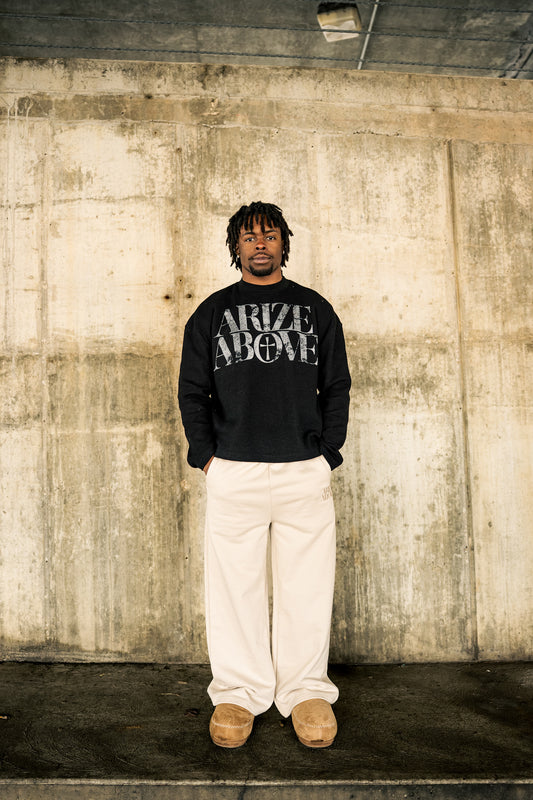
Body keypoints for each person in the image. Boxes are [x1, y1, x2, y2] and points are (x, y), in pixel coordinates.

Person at [178, 201, 351, 748]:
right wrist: (207, 456)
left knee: (308, 585)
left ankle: (305, 692)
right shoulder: (211, 313)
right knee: (234, 587)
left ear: (283, 244)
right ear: (236, 246)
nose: (260, 244)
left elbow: (338, 384)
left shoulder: (315, 309)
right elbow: (192, 391)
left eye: (270, 235)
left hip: (303, 469)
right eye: (250, 236)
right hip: (234, 469)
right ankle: (238, 692)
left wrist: (327, 453)